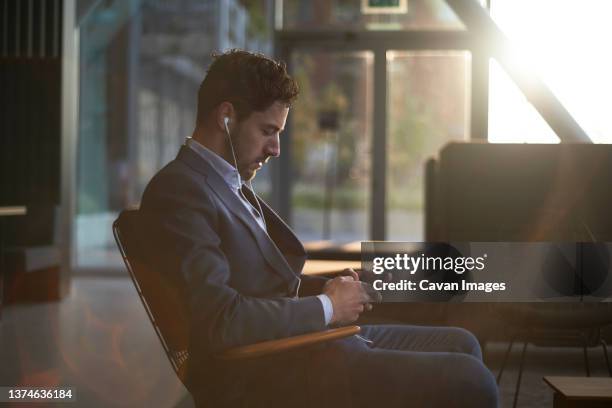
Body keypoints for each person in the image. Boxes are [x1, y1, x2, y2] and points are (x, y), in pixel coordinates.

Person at [139, 49, 499, 408]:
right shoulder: (181, 191)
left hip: (304, 344)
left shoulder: (225, 182)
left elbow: (262, 287)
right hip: (273, 371)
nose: (276, 148)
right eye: (268, 131)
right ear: (227, 117)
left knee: (463, 342)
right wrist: (327, 306)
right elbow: (219, 320)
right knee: (474, 381)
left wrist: (329, 289)